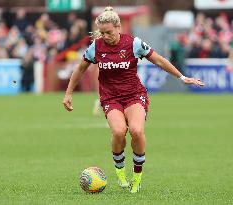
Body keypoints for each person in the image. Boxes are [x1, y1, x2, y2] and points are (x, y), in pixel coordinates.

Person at [63, 6, 204, 193]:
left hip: (134, 94)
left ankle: (136, 179)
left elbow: (159, 60)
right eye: (102, 33)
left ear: (119, 27)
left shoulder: (134, 43)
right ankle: (120, 173)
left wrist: (182, 77)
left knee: (136, 131)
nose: (105, 36)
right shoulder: (96, 47)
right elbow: (80, 69)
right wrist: (68, 93)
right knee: (119, 132)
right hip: (110, 97)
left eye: (109, 32)